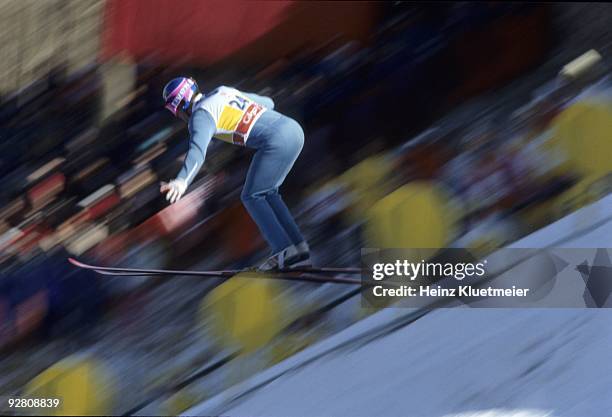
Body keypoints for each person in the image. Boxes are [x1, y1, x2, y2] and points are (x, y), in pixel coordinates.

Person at [160, 76, 311, 270]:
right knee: (268, 193)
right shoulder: (223, 91)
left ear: (181, 106)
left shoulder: (200, 116)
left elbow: (197, 152)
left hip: (276, 142)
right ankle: (299, 248)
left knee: (251, 196)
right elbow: (269, 103)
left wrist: (181, 181)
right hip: (293, 129)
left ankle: (286, 251)